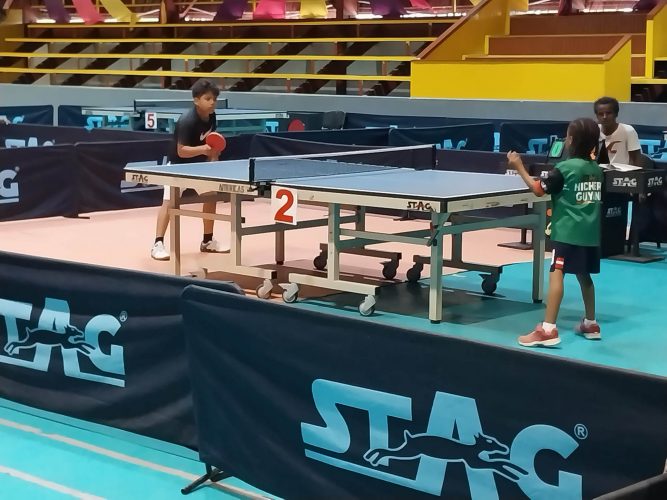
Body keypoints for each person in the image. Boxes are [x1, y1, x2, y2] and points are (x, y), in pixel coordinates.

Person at [507, 118, 604, 347]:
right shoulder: (596, 170)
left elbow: (538, 190)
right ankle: (591, 323)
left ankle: (548, 329)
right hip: (589, 235)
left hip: (567, 234)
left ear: (570, 141)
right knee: (584, 276)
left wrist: (518, 165)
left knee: (556, 274)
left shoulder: (564, 169)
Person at [151, 79, 228, 261]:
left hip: (199, 167)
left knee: (211, 197)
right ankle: (157, 244)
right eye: (208, 99)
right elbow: (181, 151)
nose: (212, 102)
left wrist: (213, 159)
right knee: (169, 203)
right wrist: (204, 150)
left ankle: (207, 241)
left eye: (214, 99)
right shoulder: (187, 121)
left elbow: (211, 142)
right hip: (178, 167)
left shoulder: (212, 117)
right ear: (196, 100)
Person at [594, 96, 641, 166]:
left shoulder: (628, 130)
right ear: (597, 116)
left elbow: (635, 160)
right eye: (601, 114)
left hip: (623, 175)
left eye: (608, 113)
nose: (604, 117)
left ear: (616, 114)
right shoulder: (594, 130)